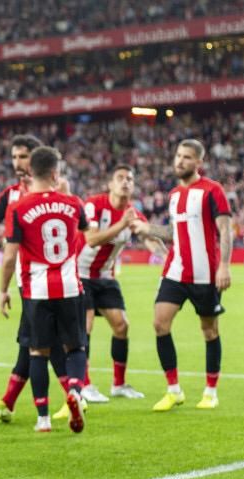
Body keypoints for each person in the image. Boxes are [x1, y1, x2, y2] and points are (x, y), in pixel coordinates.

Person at [0, 136, 77, 431]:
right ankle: (16, 401)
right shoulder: (10, 195)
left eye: (24, 157)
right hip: (28, 283)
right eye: (15, 157)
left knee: (40, 346)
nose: (18, 163)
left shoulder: (59, 190)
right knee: (32, 344)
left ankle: (63, 398)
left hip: (44, 282)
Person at [129, 139, 233, 411]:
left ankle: (210, 391)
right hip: (175, 271)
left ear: (199, 162)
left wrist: (224, 266)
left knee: (209, 331)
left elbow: (225, 230)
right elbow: (175, 234)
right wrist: (147, 228)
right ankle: (173, 390)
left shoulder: (213, 190)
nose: (180, 161)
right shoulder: (174, 195)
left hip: (205, 274)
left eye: (187, 157)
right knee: (160, 324)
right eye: (178, 156)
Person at [0, 146, 89, 434]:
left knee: (38, 351)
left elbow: (10, 256)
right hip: (70, 286)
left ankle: (43, 418)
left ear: (31, 171)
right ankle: (75, 390)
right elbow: (85, 233)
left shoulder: (19, 207)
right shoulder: (73, 203)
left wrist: (3, 290)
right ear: (55, 172)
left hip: (36, 290)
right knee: (75, 347)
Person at [61, 165, 165, 411]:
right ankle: (84, 385)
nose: (125, 182)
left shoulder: (134, 214)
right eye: (120, 178)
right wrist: (123, 226)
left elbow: (150, 239)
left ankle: (119, 384)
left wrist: (167, 255)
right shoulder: (94, 205)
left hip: (105, 276)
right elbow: (92, 239)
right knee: (85, 325)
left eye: (130, 178)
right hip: (80, 273)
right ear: (110, 184)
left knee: (122, 325)